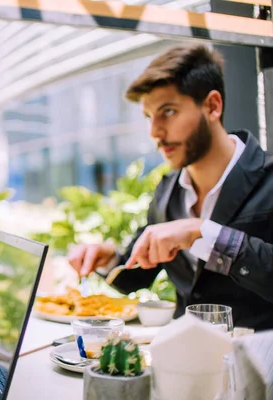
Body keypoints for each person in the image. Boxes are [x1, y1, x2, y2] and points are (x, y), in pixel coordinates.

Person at [68, 44, 273, 331]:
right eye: (150, 117)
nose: (155, 132)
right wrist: (109, 258)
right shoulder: (167, 191)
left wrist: (203, 233)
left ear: (212, 106)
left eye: (168, 111)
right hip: (182, 361)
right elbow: (138, 273)